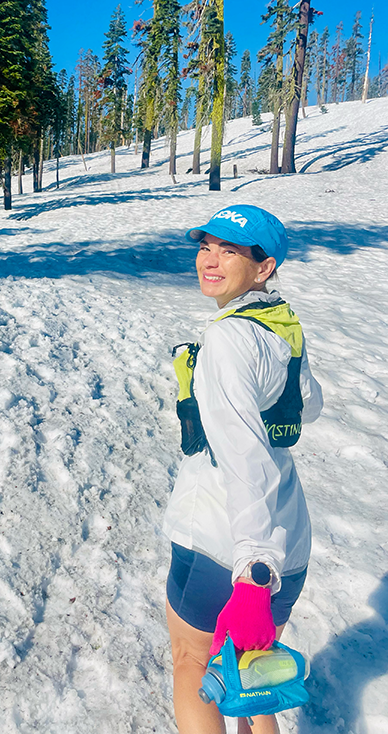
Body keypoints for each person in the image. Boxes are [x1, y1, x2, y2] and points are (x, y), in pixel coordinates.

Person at [163, 205, 323, 734]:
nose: (209, 260)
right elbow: (308, 406)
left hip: (226, 543)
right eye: (206, 247)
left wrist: (253, 572)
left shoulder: (230, 339)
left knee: (194, 662)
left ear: (264, 267)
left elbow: (242, 455)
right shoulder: (280, 325)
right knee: (252, 682)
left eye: (229, 251)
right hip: (289, 539)